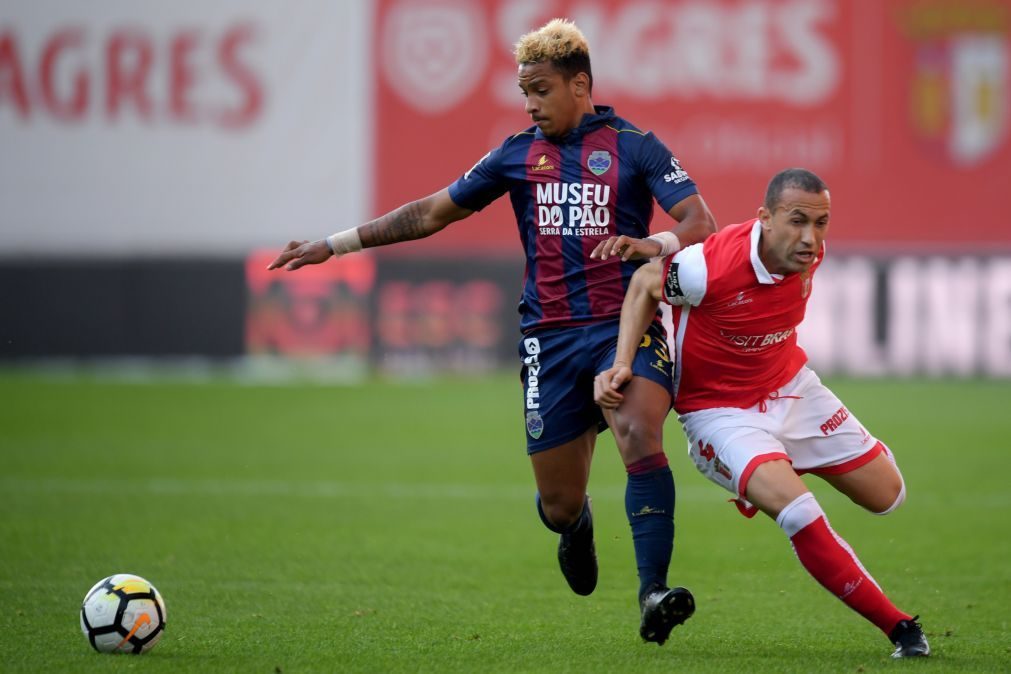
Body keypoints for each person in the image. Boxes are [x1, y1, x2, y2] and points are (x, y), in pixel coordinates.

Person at [267, 18, 717, 644]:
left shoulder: (635, 146)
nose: (530, 105)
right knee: (558, 504)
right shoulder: (514, 154)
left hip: (624, 326)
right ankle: (577, 527)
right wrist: (332, 245)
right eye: (524, 92)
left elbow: (700, 220)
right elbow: (429, 213)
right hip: (550, 340)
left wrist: (653, 242)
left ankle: (652, 593)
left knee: (639, 429)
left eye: (540, 89)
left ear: (579, 84)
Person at [593, 167, 930, 658]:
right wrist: (623, 362)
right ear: (765, 219)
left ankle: (770, 467)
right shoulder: (711, 268)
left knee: (888, 495)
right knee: (799, 512)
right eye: (797, 221)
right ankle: (901, 629)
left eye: (821, 223)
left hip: (792, 388)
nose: (811, 238)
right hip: (720, 413)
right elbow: (646, 282)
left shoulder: (806, 253)